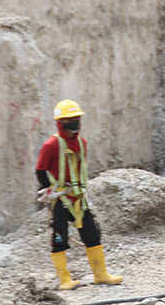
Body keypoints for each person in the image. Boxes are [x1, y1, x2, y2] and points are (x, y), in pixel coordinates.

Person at [36, 99, 123, 290]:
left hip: (78, 197)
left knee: (92, 234)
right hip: (59, 198)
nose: (73, 122)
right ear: (60, 122)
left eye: (76, 118)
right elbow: (40, 169)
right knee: (60, 237)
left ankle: (100, 274)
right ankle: (64, 279)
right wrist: (48, 189)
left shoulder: (82, 143)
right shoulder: (51, 145)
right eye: (68, 119)